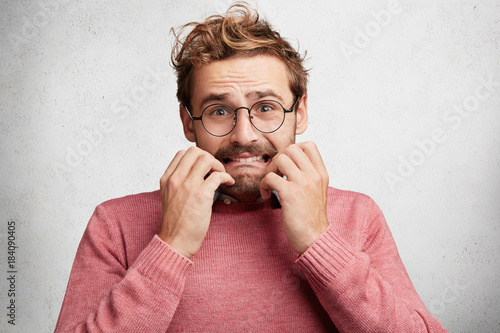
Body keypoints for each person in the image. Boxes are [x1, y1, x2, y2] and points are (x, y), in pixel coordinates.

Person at [55, 3, 448, 332]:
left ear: (301, 112)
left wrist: (319, 240)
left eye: (265, 107)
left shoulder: (359, 216)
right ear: (188, 121)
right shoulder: (114, 224)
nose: (244, 135)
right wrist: (170, 247)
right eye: (219, 110)